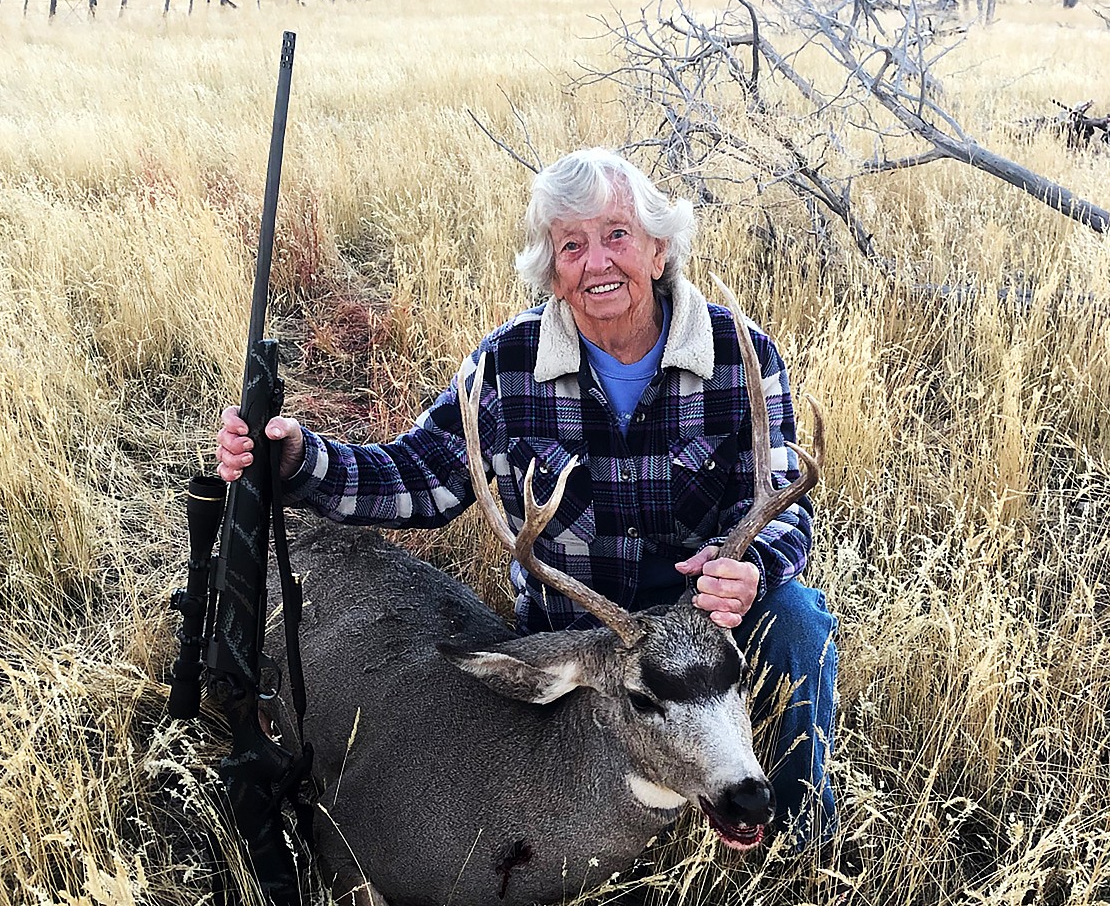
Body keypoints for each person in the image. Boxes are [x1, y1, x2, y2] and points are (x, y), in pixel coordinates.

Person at [216, 148, 837, 844]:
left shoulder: (740, 355)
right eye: (571, 245)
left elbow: (781, 496)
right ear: (553, 270)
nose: (597, 262)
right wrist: (303, 458)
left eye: (617, 236)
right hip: (582, 632)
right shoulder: (507, 366)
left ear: (659, 250)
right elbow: (419, 479)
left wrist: (751, 573)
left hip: (702, 624)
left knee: (797, 624)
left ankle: (802, 831)